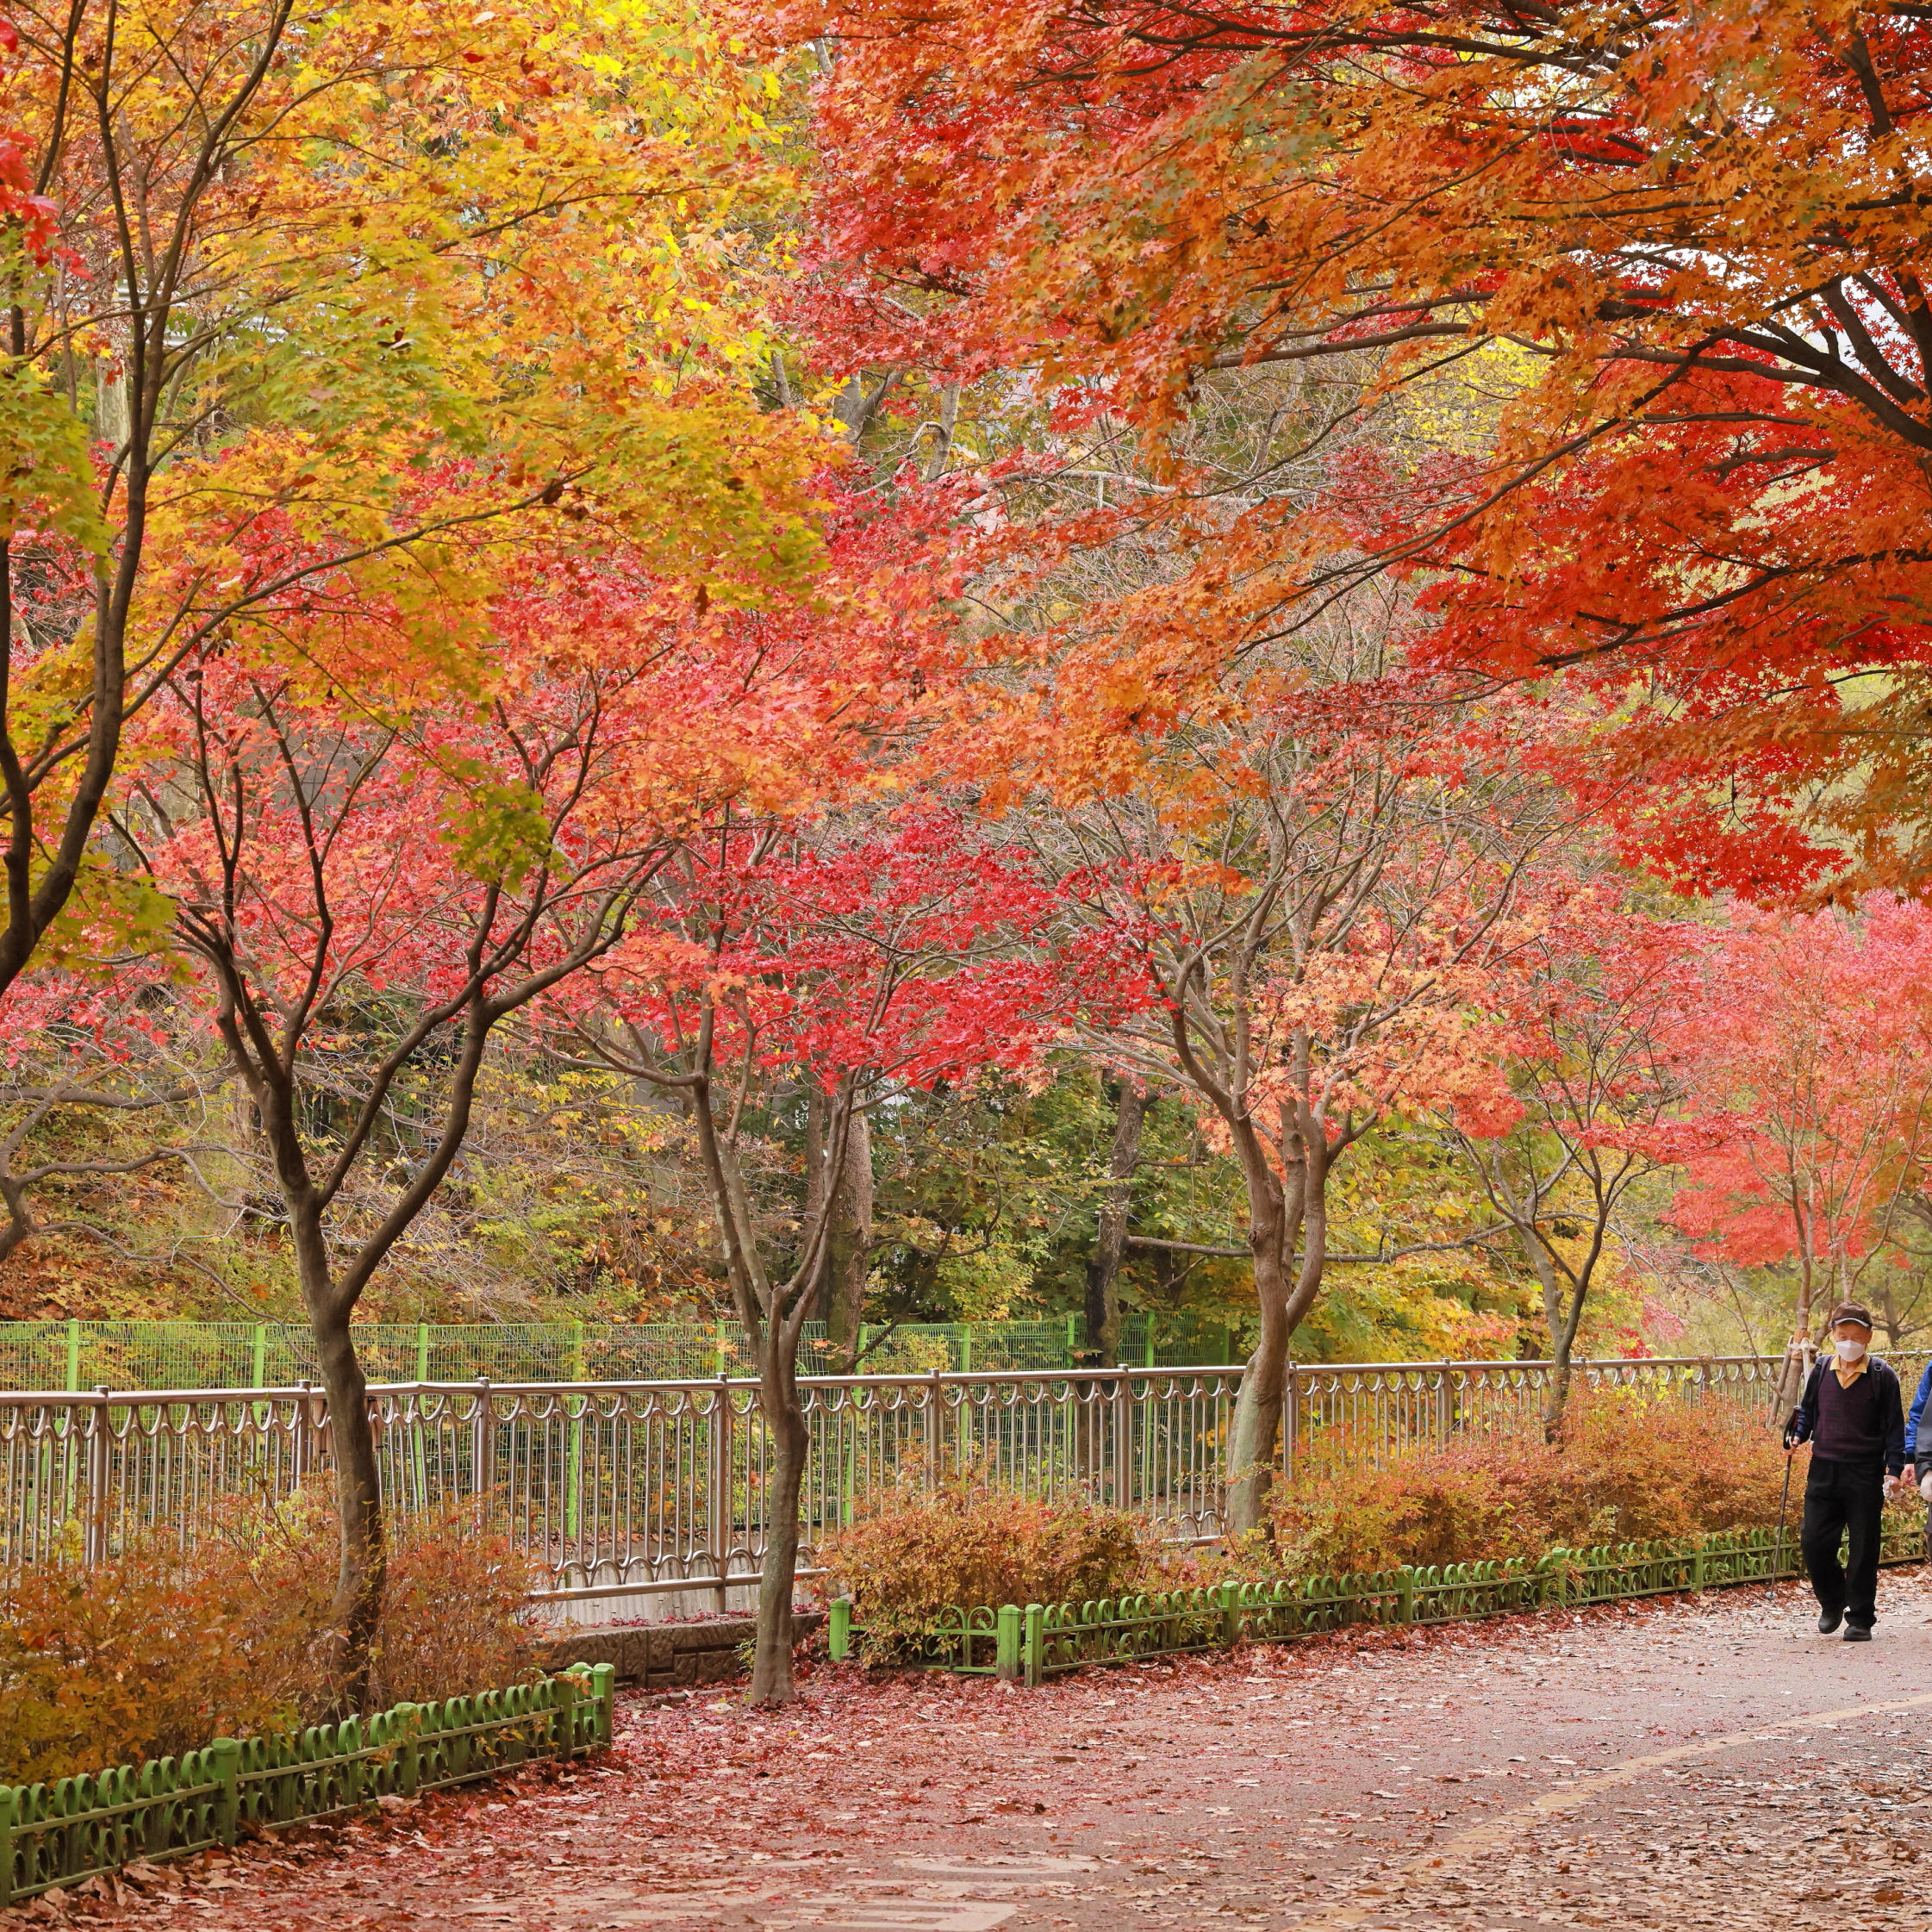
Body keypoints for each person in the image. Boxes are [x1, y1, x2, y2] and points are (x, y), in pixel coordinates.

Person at [1785, 1303, 1905, 1641]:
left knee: (1864, 1548)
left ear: (1868, 1338)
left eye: (1856, 1336)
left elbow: (1895, 1429)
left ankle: (1861, 1618)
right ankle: (1832, 1599)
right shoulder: (1821, 1369)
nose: (1848, 1342)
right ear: (1834, 1336)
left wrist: (1893, 1470)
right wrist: (1798, 1435)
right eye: (1842, 1335)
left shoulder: (1883, 1376)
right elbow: (1807, 1413)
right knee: (1814, 1541)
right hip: (1823, 1468)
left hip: (1865, 1472)